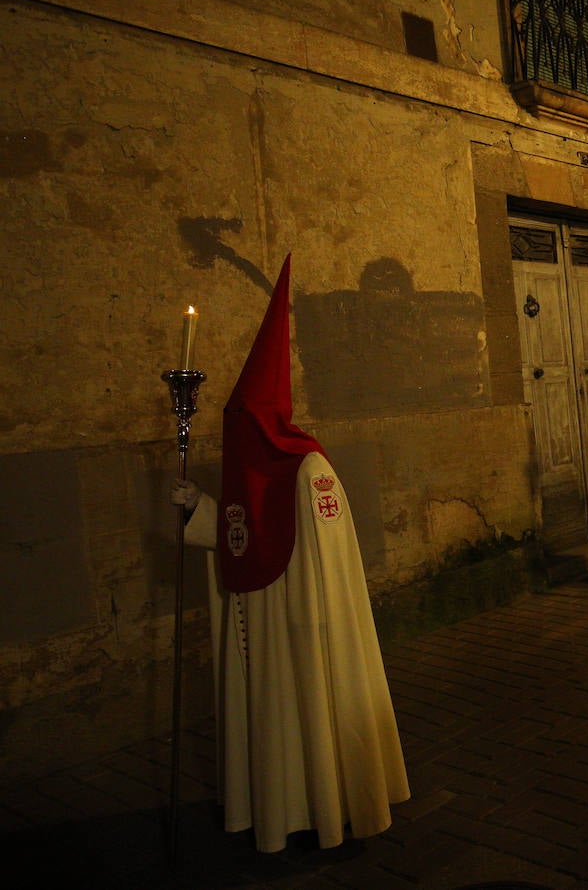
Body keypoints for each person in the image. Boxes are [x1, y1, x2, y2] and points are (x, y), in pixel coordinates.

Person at [170, 255, 409, 853]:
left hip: (304, 630)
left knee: (309, 712)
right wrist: (198, 508)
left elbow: (327, 564)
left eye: (240, 421)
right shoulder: (255, 473)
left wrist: (313, 623)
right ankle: (281, 807)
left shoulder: (310, 471)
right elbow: (241, 530)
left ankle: (325, 808)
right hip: (264, 628)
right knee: (273, 721)